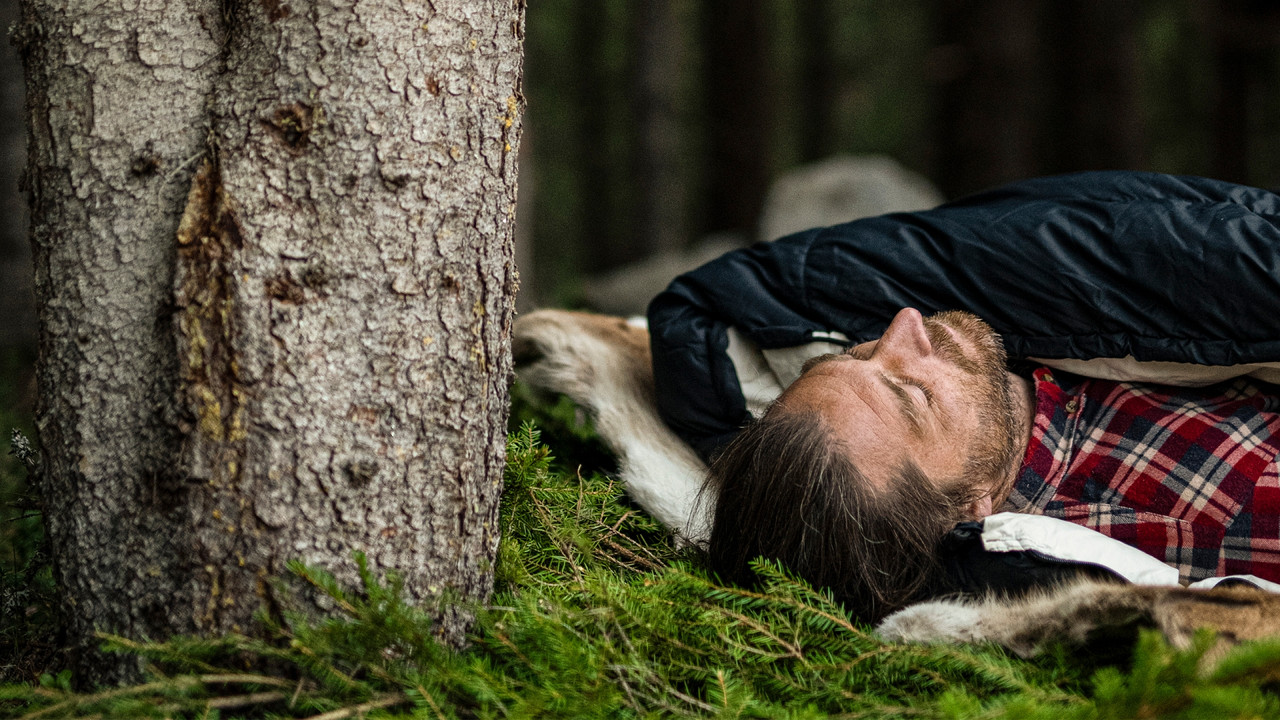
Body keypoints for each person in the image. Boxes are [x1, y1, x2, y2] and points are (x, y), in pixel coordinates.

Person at [646, 170, 1280, 621]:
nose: (905, 325)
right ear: (966, 511)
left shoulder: (1011, 389)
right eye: (914, 394)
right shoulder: (1210, 505)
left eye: (858, 352)